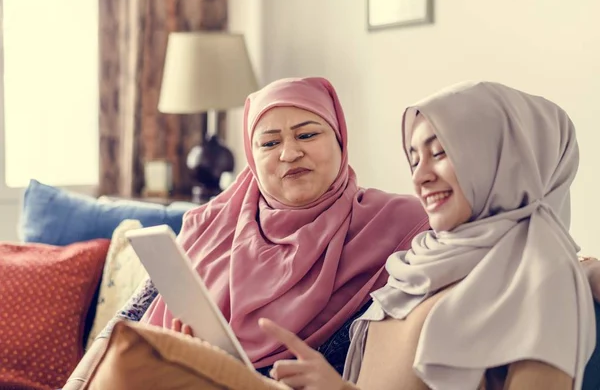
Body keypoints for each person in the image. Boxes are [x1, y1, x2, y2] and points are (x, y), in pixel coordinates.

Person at [63, 77, 429, 389]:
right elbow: (122, 329)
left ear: (340, 139)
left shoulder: (398, 223)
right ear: (253, 159)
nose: (289, 153)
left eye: (307, 134)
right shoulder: (210, 224)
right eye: (269, 143)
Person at [260, 81, 597, 390]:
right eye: (414, 158)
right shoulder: (417, 261)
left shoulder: (541, 276)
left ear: (505, 158)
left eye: (439, 153)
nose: (420, 176)